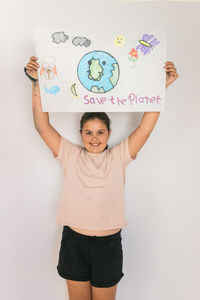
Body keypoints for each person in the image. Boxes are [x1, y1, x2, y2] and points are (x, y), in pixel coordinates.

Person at [24, 56, 178, 300]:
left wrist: (161, 88)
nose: (94, 138)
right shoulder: (70, 155)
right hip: (75, 242)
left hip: (108, 245)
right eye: (88, 132)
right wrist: (36, 84)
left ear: (108, 133)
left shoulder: (119, 156)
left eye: (100, 132)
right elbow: (43, 126)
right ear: (81, 133)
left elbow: (145, 128)